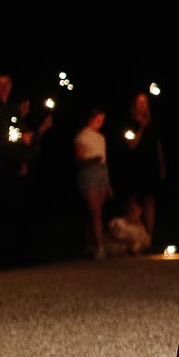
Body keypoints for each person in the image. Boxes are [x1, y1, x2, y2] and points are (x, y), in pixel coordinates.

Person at [117, 92, 164, 243]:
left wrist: (162, 164)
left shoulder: (153, 124)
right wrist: (141, 128)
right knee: (134, 200)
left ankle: (148, 236)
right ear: (135, 105)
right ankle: (134, 234)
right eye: (140, 102)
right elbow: (132, 145)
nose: (143, 105)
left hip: (150, 165)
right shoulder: (129, 123)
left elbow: (157, 145)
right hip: (134, 165)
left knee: (150, 199)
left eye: (145, 102)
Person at [74, 107, 111, 259]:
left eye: (102, 120)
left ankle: (90, 245)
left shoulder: (101, 138)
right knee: (95, 212)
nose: (100, 123)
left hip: (102, 173)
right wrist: (91, 161)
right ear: (91, 118)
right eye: (97, 120)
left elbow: (104, 161)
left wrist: (108, 183)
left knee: (95, 212)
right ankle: (100, 246)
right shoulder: (82, 136)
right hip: (89, 174)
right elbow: (79, 159)